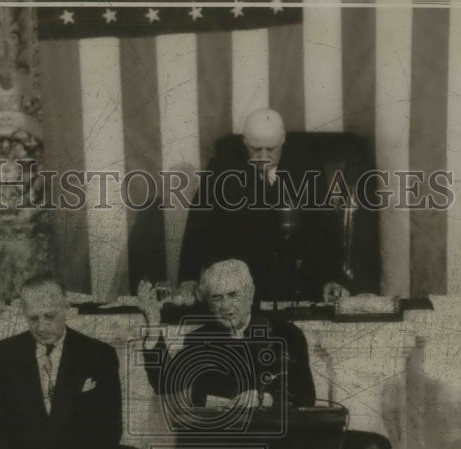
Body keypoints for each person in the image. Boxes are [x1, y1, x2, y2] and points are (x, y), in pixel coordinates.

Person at [178, 108, 348, 303]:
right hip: (241, 285)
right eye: (255, 149)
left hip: (297, 281)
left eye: (271, 149)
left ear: (282, 139)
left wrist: (333, 278)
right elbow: (199, 224)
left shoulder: (307, 163)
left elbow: (327, 227)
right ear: (244, 142)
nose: (263, 157)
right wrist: (188, 279)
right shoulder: (222, 165)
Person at [0, 275, 123, 449]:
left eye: (50, 316)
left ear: (66, 308)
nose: (42, 327)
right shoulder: (1, 356)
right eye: (33, 318)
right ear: (24, 314)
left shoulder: (99, 356)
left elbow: (110, 429)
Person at [138, 259, 316, 411]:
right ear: (209, 303)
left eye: (233, 295)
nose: (225, 305)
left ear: (250, 294)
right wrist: (153, 326)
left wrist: (266, 399)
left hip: (274, 440)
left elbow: (306, 397)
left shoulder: (287, 335)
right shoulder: (200, 339)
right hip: (222, 440)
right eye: (217, 297)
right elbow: (165, 383)